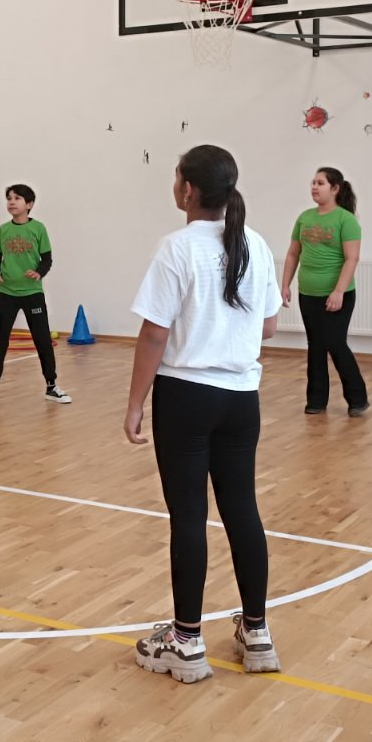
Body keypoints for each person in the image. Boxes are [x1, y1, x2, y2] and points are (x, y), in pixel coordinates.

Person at [124, 145, 282, 684]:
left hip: (186, 397)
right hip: (241, 399)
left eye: (177, 179)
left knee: (189, 516)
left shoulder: (177, 247)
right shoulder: (255, 244)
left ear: (188, 190)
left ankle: (187, 640)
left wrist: (135, 403)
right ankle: (256, 633)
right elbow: (267, 327)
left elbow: (154, 333)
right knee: (243, 511)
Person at [280, 167, 369, 417]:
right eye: (313, 183)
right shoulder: (304, 218)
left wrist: (338, 291)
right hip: (308, 293)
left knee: (335, 343)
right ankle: (316, 400)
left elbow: (352, 258)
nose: (314, 187)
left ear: (335, 188)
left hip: (338, 295)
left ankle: (358, 398)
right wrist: (285, 285)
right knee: (315, 344)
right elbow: (293, 253)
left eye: (320, 183)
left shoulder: (346, 220)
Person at [0, 183, 70, 409]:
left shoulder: (38, 229)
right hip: (8, 293)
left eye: (17, 198)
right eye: (9, 198)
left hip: (32, 292)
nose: (11, 202)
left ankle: (52, 386)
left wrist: (39, 272)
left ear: (29, 204)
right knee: (0, 340)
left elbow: (47, 259)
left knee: (42, 339)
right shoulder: (2, 231)